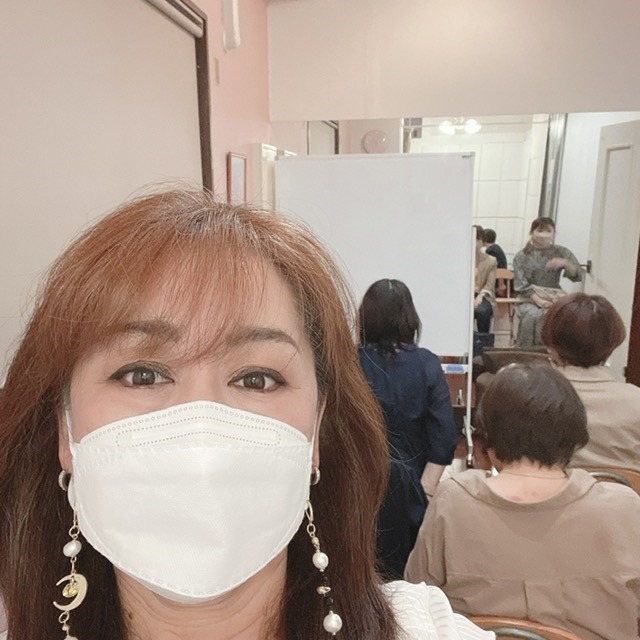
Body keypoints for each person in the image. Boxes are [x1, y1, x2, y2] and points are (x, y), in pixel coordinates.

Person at [0, 189, 492, 640]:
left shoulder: (428, 630)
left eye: (256, 379)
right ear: (65, 429)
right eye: (142, 375)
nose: (201, 430)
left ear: (316, 428)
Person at [404, 363, 640, 640]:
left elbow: (415, 598)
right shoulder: (624, 508)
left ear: (488, 437)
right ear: (575, 433)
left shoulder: (453, 500)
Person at [358, 279, 457, 578]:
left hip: (359, 487)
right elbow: (444, 436)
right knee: (408, 579)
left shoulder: (349, 361)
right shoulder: (427, 364)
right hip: (411, 491)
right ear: (409, 317)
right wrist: (425, 491)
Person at [542, 292, 640, 471]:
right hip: (626, 489)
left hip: (550, 489)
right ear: (614, 341)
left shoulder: (528, 397)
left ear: (551, 344)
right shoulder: (636, 400)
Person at [512, 217, 582, 348]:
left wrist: (566, 263)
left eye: (548, 231)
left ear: (554, 232)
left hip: (553, 294)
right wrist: (539, 301)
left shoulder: (561, 252)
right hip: (528, 297)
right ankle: (526, 351)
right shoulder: (521, 256)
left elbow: (578, 275)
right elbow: (520, 284)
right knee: (532, 315)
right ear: (532, 232)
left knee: (562, 314)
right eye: (540, 231)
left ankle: (555, 351)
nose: (544, 235)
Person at [473, 226, 497, 334]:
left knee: (483, 311)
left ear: (482, 241)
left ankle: (483, 341)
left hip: (482, 294)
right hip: (462, 296)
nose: (475, 242)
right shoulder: (458, 259)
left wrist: (480, 296)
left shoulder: (491, 261)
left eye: (477, 239)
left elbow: (489, 285)